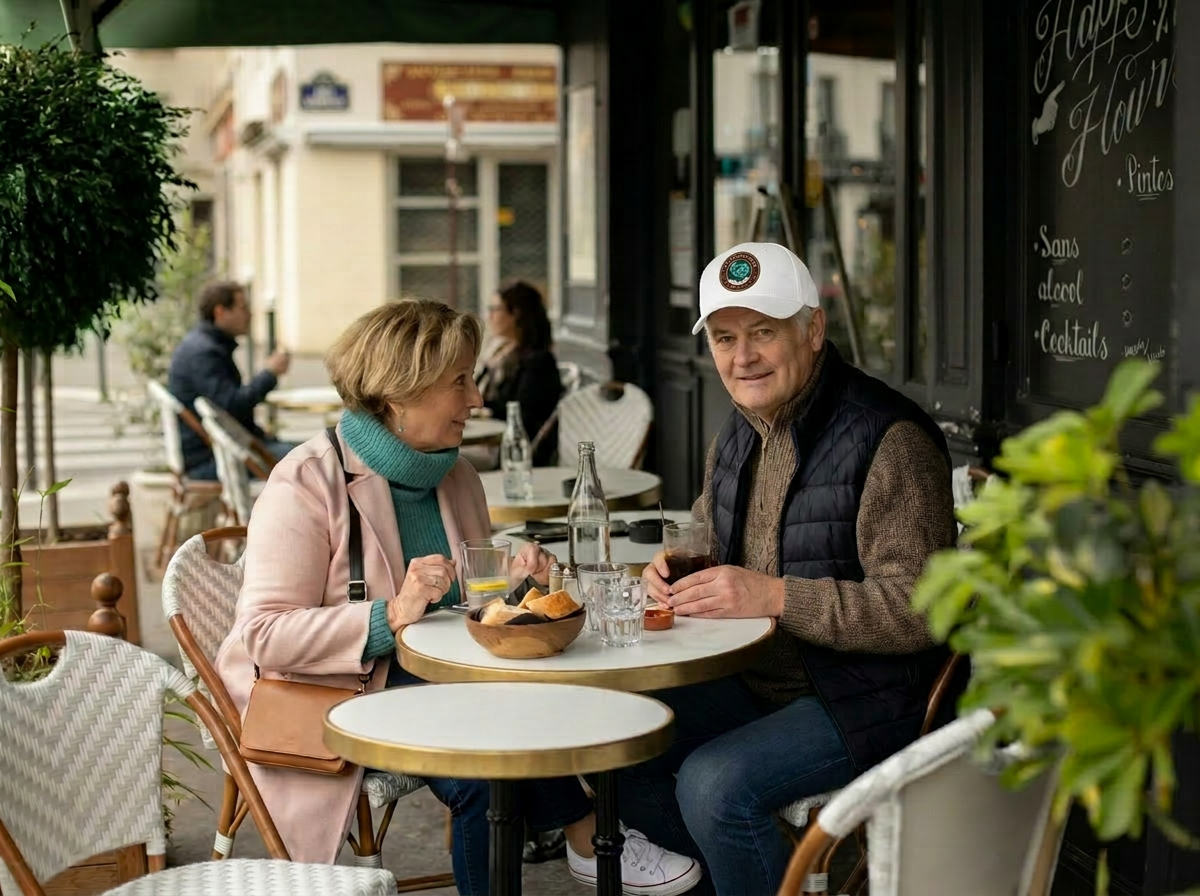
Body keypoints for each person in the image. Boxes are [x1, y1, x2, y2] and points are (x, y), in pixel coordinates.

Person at [213, 300, 700, 896]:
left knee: (538, 700)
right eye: (459, 382)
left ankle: (591, 838)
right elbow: (263, 636)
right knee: (484, 772)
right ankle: (589, 836)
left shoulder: (455, 474)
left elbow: (468, 603)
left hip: (442, 677)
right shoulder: (306, 482)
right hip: (337, 687)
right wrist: (391, 614)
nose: (476, 400)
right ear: (400, 392)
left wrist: (522, 588)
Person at [621, 242, 958, 896]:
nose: (741, 356)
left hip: (865, 694)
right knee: (617, 731)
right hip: (755, 679)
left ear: (813, 331)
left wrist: (776, 596)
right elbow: (708, 523)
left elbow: (923, 611)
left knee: (713, 786)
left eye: (762, 333)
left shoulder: (889, 439)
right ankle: (746, 875)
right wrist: (666, 566)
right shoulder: (743, 426)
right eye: (724, 338)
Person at [167, 280, 294, 480]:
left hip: (221, 450)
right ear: (220, 312)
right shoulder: (204, 353)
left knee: (318, 455)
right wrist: (269, 373)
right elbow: (233, 406)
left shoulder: (206, 345)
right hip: (212, 459)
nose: (249, 315)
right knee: (316, 461)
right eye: (242, 308)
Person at [476, 281, 563, 466]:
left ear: (516, 314)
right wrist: (488, 365)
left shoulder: (538, 362)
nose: (489, 316)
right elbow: (475, 394)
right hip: (498, 445)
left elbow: (520, 414)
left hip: (519, 454)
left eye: (495, 309)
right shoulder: (504, 355)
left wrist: (483, 410)